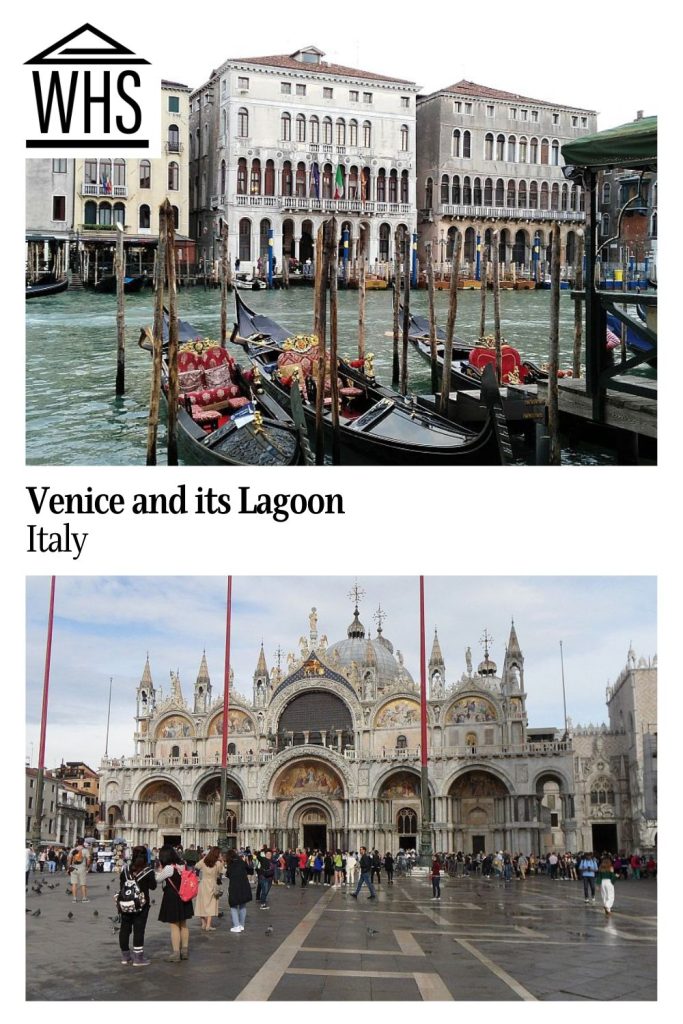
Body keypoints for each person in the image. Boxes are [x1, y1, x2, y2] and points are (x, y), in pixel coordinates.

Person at [118, 845, 157, 966]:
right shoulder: (148, 871)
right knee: (139, 930)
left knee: (124, 929)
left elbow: (121, 885)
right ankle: (138, 958)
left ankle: (125, 956)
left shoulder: (125, 870)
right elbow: (153, 886)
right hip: (141, 905)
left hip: (125, 903)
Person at [155, 844, 193, 962]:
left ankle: (176, 953)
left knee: (174, 925)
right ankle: (185, 951)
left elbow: (157, 880)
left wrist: (159, 870)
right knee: (184, 924)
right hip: (185, 897)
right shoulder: (182, 865)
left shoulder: (168, 868)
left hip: (172, 897)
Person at [226, 848, 253, 933]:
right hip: (244, 885)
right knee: (242, 905)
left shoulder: (230, 864)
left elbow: (228, 874)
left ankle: (236, 925)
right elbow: (250, 870)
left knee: (233, 906)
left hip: (234, 886)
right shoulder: (242, 861)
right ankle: (242, 925)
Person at [196, 846, 223, 931]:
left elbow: (196, 866)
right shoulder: (217, 863)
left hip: (203, 884)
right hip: (212, 884)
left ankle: (203, 923)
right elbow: (222, 871)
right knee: (211, 904)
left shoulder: (204, 860)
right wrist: (222, 862)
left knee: (202, 904)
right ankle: (208, 925)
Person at [68, 838, 91, 902]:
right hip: (82, 868)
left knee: (74, 884)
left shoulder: (73, 850)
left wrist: (69, 866)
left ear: (77, 842)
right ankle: (84, 898)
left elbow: (69, 858)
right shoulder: (85, 850)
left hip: (73, 868)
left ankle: (74, 899)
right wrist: (87, 867)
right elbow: (89, 859)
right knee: (83, 884)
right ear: (83, 842)